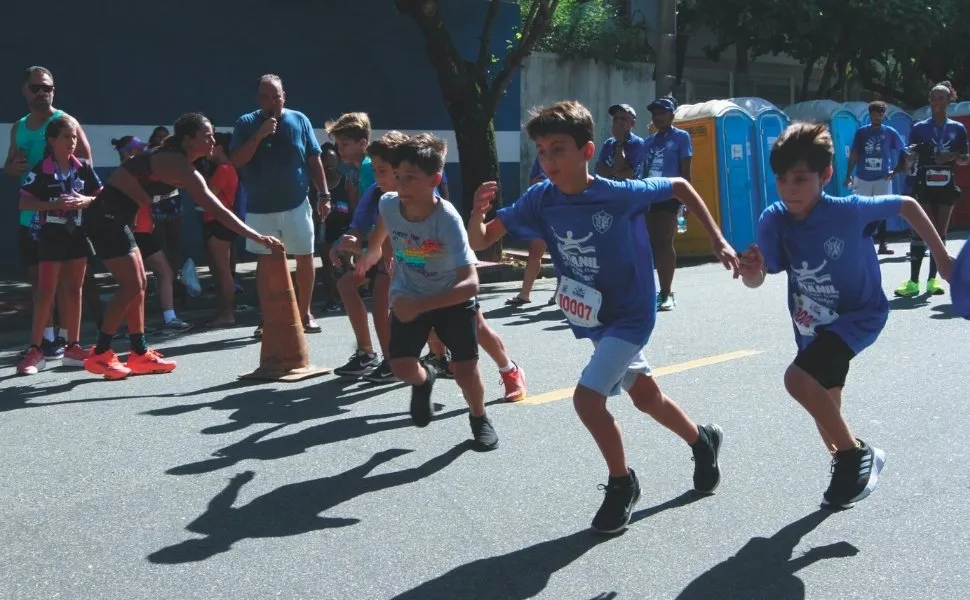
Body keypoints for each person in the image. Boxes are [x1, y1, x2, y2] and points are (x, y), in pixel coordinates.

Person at [468, 101, 732, 533]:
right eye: (542, 150)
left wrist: (719, 241)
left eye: (559, 149)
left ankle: (622, 483)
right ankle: (702, 441)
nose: (549, 161)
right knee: (646, 398)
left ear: (587, 150)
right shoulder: (541, 199)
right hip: (595, 318)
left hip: (631, 314)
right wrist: (478, 212)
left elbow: (680, 185)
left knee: (587, 399)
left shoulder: (619, 193)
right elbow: (481, 241)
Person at [737, 122, 954, 509]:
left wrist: (944, 260)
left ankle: (857, 456)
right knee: (826, 406)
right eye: (782, 180)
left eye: (800, 179)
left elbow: (908, 205)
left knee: (797, 380)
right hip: (813, 325)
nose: (789, 189)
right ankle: (848, 462)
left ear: (826, 175)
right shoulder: (775, 219)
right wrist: (751, 270)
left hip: (860, 315)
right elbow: (759, 278)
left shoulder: (848, 211)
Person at [82, 113, 282, 380]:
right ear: (188, 140)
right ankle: (101, 353)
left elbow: (129, 177)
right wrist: (257, 237)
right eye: (206, 135)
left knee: (139, 285)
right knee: (131, 285)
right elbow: (217, 210)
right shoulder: (178, 164)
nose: (213, 140)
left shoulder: (181, 162)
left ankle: (139, 353)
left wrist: (140, 201)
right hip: (105, 219)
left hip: (119, 220)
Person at [355, 133, 499, 450]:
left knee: (465, 370)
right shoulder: (389, 203)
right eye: (398, 177)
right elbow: (381, 233)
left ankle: (479, 417)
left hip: (452, 298)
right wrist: (367, 254)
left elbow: (471, 283)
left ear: (434, 180)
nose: (401, 185)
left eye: (410, 178)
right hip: (410, 296)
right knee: (401, 366)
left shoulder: (447, 220)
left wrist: (421, 304)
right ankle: (425, 380)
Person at [4, 66, 93, 361]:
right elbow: (10, 166)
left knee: (69, 285)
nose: (42, 93)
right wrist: (10, 169)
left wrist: (75, 199)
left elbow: (85, 162)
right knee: (41, 284)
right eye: (36, 88)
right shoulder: (18, 127)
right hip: (31, 217)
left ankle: (71, 343)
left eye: (47, 88)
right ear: (24, 90)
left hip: (64, 219)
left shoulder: (65, 121)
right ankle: (46, 340)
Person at [230, 74, 330, 337]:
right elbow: (237, 160)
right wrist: (260, 135)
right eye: (265, 97)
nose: (271, 102)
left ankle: (305, 312)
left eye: (276, 96)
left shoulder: (300, 119)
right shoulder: (246, 123)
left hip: (297, 203)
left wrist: (324, 195)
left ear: (284, 96)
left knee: (305, 256)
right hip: (260, 207)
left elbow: (314, 159)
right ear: (257, 99)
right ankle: (269, 317)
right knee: (267, 262)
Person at [15, 115, 100, 375]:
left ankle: (73, 347)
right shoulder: (40, 169)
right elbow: (24, 203)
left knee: (74, 290)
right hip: (51, 235)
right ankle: (35, 350)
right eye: (66, 137)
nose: (72, 142)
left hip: (77, 234)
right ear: (52, 140)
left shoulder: (83, 167)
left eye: (74, 136)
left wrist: (84, 201)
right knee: (46, 291)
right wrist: (53, 205)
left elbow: (100, 197)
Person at [330, 131, 408, 383]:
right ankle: (369, 354)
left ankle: (398, 361)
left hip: (412, 262)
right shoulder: (376, 192)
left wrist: (362, 245)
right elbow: (358, 223)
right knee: (347, 285)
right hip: (380, 258)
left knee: (391, 307)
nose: (376, 176)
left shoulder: (413, 193)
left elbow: (391, 238)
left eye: (382, 170)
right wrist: (342, 243)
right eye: (374, 170)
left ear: (400, 170)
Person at [894, 81, 969, 298]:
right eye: (933, 97)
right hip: (924, 181)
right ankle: (913, 281)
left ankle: (933, 279)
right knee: (920, 229)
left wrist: (953, 156)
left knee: (939, 231)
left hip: (946, 183)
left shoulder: (957, 128)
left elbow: (964, 159)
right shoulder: (919, 128)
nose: (935, 102)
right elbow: (911, 157)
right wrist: (908, 157)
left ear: (949, 100)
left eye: (940, 97)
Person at [110, 136, 192, 333]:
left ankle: (141, 322)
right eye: (138, 150)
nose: (144, 154)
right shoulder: (128, 177)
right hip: (134, 233)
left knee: (147, 278)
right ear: (128, 154)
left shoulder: (135, 173)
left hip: (142, 233)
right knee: (152, 276)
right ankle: (158, 320)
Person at [643, 96, 692, 311]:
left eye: (662, 112)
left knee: (664, 242)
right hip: (647, 196)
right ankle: (649, 292)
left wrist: (686, 201)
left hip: (670, 196)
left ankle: (666, 292)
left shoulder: (681, 137)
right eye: (655, 113)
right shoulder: (649, 141)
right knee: (648, 245)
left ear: (672, 115)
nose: (658, 117)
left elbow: (686, 172)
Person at [843, 101, 905, 255]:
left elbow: (904, 152)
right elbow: (854, 154)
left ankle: (883, 244)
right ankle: (859, 242)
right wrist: (848, 174)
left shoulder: (890, 132)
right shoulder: (861, 133)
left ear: (884, 115)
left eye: (880, 114)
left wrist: (895, 171)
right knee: (860, 210)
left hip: (882, 178)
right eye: (874, 114)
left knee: (882, 211)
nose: (877, 117)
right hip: (862, 177)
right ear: (869, 115)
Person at [200, 132, 240, 328]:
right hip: (217, 222)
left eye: (214, 145)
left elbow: (208, 195)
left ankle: (228, 313)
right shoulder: (225, 168)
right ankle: (223, 311)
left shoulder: (224, 169)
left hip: (219, 223)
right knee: (218, 270)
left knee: (223, 271)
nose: (210, 148)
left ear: (221, 148)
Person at [318, 142, 353, 313]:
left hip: (343, 227)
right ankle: (332, 299)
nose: (330, 167)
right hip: (324, 228)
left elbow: (354, 205)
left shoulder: (345, 181)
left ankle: (349, 296)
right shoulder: (315, 184)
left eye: (333, 163)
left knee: (346, 263)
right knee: (327, 265)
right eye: (326, 164)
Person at [594, 103, 645, 181]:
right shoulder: (609, 142)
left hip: (627, 191)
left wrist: (619, 141)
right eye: (615, 119)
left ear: (632, 123)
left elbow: (624, 172)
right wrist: (616, 171)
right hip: (609, 190)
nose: (618, 122)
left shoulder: (638, 143)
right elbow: (598, 170)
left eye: (623, 119)